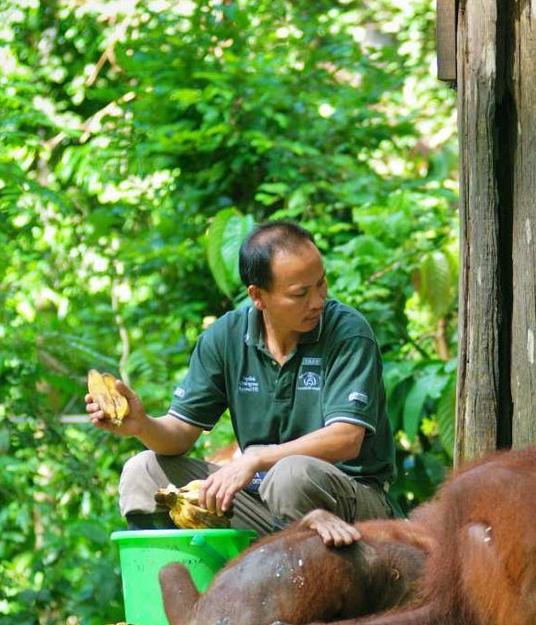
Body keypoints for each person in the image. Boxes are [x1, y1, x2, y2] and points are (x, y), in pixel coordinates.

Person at [87, 221, 396, 546]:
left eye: (321, 285)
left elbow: (346, 438)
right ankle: (167, 586)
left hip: (350, 498)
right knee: (143, 471)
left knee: (289, 475)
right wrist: (142, 425)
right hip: (263, 499)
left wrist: (255, 459)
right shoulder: (226, 338)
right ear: (258, 296)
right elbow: (179, 434)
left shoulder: (347, 332)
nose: (318, 301)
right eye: (300, 294)